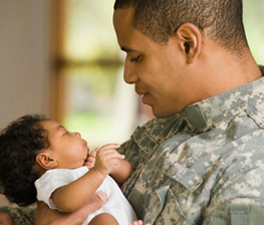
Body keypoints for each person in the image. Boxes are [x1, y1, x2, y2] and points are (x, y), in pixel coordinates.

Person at [1, 0, 264, 224]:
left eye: (137, 57)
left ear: (187, 43)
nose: (127, 76)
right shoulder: (168, 122)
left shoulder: (252, 165)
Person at [0, 115, 139, 225]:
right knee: (103, 220)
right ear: (47, 160)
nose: (77, 133)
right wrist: (98, 172)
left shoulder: (91, 165)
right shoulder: (51, 178)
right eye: (65, 133)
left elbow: (127, 174)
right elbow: (68, 203)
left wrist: (112, 165)